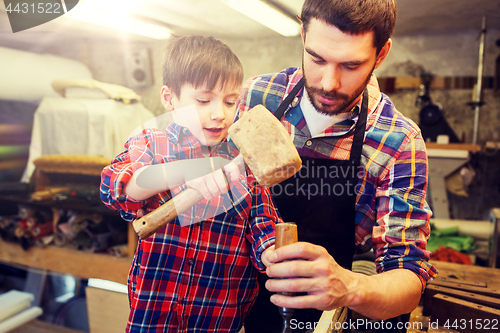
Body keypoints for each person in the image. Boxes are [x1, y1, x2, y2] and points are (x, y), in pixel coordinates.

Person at [240, 1, 438, 332]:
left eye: (350, 65)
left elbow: (407, 277)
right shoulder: (256, 97)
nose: (329, 83)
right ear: (303, 34)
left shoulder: (399, 141)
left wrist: (350, 287)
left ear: (381, 54)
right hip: (244, 308)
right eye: (317, 59)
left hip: (335, 319)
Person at [100, 35, 281, 333]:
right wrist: (185, 171)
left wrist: (273, 254)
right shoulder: (150, 142)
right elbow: (116, 188)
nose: (219, 113)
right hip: (155, 314)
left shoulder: (243, 159)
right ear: (169, 98)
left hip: (221, 318)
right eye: (203, 100)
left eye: (230, 101)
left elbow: (263, 226)